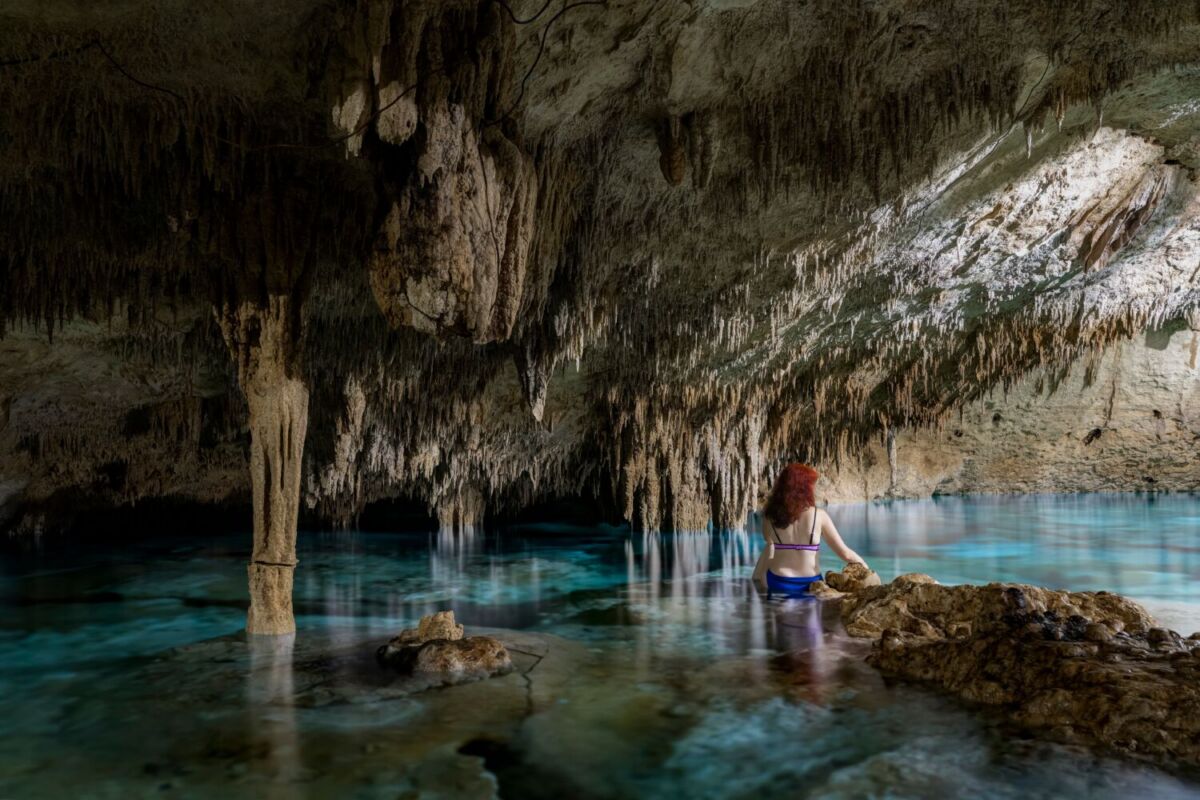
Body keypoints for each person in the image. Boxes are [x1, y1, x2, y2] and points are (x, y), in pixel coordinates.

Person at [752, 463, 867, 596]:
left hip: (777, 580)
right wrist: (865, 566)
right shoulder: (819, 515)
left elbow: (768, 541)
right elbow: (845, 554)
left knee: (770, 546)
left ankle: (755, 585)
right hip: (810, 583)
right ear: (804, 488)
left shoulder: (770, 516)